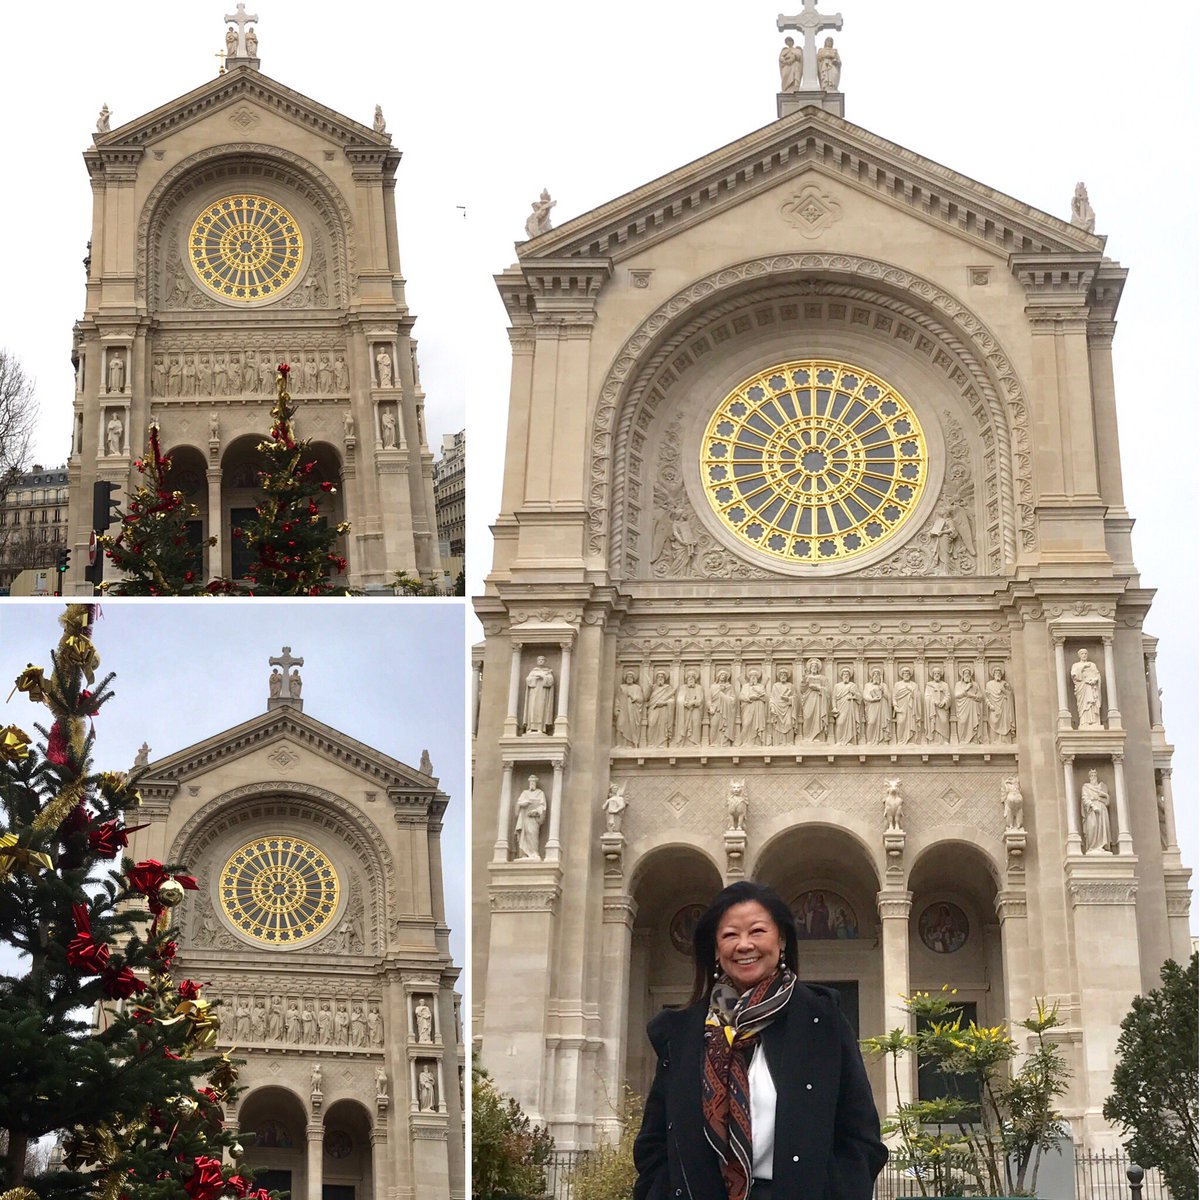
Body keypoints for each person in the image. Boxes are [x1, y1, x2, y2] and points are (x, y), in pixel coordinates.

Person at [633, 880, 887, 1200]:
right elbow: (654, 1141)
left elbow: (860, 1133)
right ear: (715, 949)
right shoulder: (685, 1033)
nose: (744, 945)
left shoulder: (821, 1019)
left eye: (757, 931)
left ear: (781, 940)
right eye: (729, 935)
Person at [514, 775, 546, 860]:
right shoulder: (524, 793)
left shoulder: (540, 793)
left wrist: (536, 811)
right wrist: (523, 803)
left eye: (533, 782)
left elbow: (543, 806)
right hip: (525, 817)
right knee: (525, 834)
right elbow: (518, 804)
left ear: (535, 783)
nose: (532, 784)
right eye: (531, 782)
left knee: (533, 834)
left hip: (534, 818)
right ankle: (524, 853)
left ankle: (534, 852)